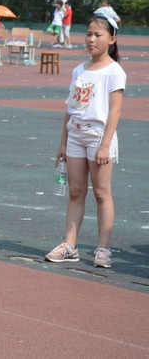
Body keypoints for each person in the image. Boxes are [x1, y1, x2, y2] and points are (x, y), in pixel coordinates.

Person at [45, 14, 125, 269]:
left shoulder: (114, 71)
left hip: (99, 136)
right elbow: (72, 107)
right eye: (89, 34)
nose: (91, 39)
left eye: (98, 35)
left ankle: (103, 248)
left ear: (111, 39)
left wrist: (105, 145)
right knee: (76, 192)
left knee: (102, 193)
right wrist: (63, 142)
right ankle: (70, 245)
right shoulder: (79, 70)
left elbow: (115, 111)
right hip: (76, 135)